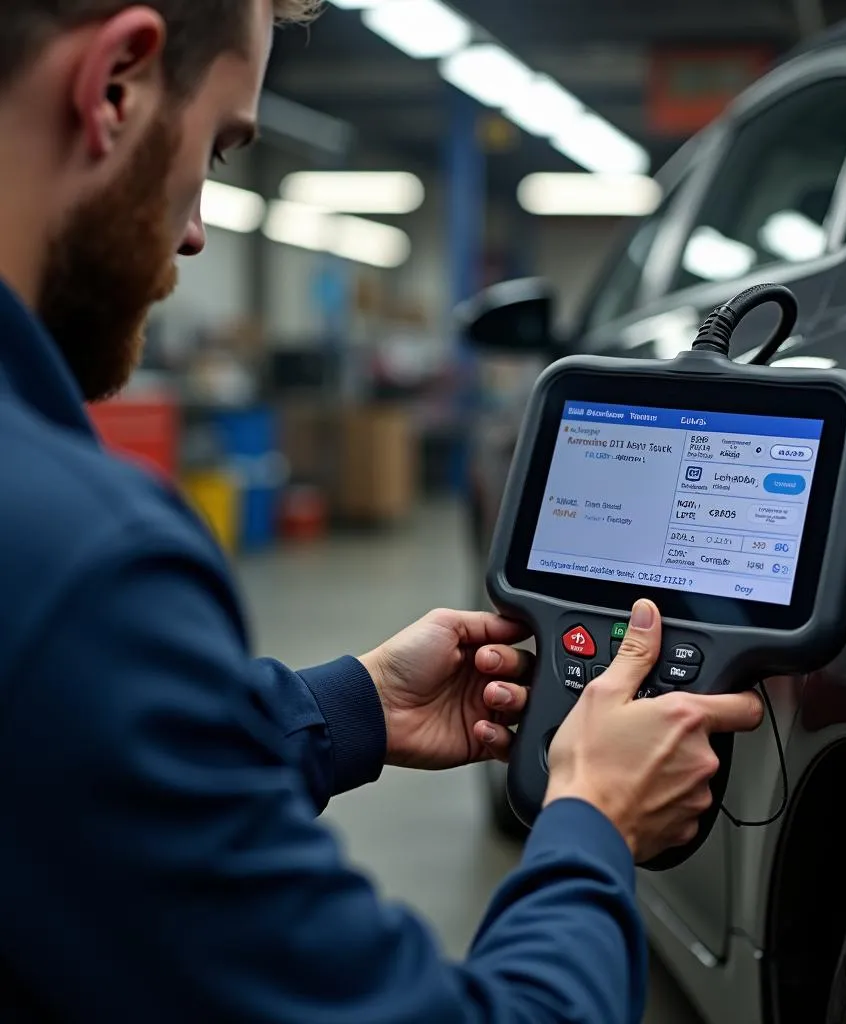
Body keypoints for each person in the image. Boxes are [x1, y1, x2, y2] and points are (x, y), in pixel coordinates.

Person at [0, 2, 765, 1021]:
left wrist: (345, 707)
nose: (192, 231)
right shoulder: (84, 561)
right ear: (115, 86)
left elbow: (64, 773)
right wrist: (593, 822)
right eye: (221, 148)